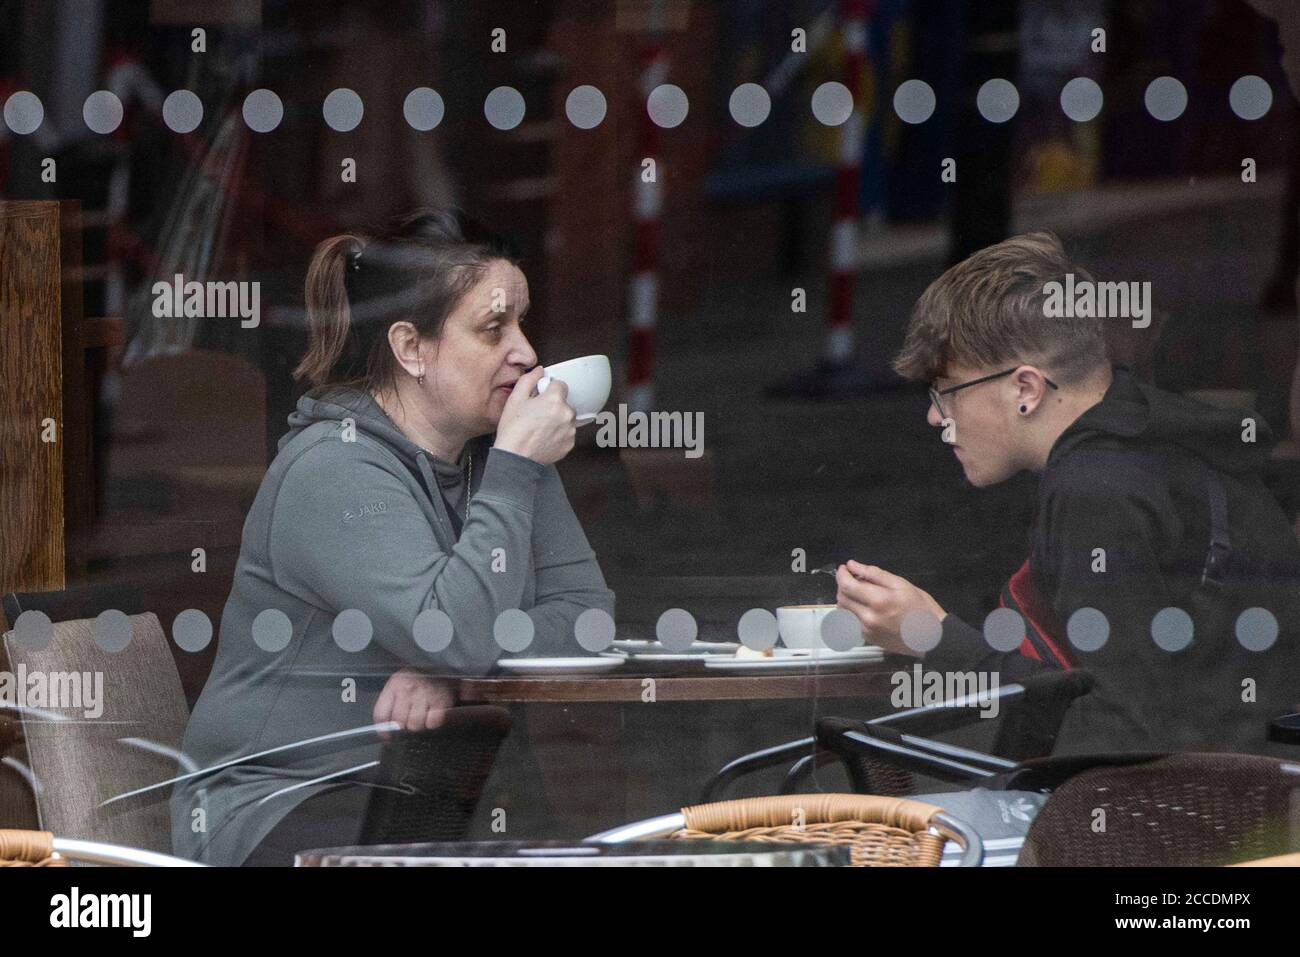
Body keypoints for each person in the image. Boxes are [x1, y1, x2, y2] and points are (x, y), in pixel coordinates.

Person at [170, 209, 614, 865]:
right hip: (277, 814)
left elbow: (587, 618)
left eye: (521, 322)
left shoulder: (501, 455)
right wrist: (454, 652)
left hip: (406, 806)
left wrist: (455, 672)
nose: (525, 351)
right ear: (411, 348)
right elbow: (456, 635)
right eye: (494, 327)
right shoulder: (334, 468)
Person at [835, 231, 1300, 756]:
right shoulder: (1148, 440)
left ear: (1027, 389)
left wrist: (933, 637)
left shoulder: (1098, 489)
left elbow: (1117, 731)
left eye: (946, 392)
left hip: (1219, 815)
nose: (933, 416)